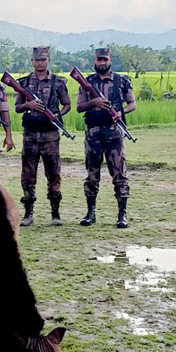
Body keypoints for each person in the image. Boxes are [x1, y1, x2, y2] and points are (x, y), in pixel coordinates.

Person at [77, 47, 136, 228]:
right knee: (92, 174)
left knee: (119, 174)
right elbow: (79, 107)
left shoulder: (121, 81)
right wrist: (94, 102)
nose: (102, 63)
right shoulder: (88, 82)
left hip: (114, 134)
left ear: (110, 60)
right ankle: (90, 213)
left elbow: (132, 103)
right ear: (95, 61)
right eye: (99, 60)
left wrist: (121, 112)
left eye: (105, 60)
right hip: (93, 133)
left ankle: (122, 214)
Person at [14, 46, 71, 226]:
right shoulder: (23, 83)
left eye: (43, 59)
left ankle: (55, 213)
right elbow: (17, 107)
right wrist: (29, 105)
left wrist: (57, 115)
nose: (40, 62)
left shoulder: (58, 82)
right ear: (32, 61)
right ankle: (28, 213)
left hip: (50, 136)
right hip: (30, 136)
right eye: (37, 60)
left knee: (53, 175)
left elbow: (67, 104)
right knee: (28, 176)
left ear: (48, 60)